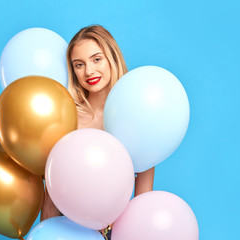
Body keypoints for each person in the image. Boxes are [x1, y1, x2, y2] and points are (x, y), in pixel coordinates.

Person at [41, 25, 155, 239]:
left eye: (96, 59)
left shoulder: (136, 119)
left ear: (112, 58)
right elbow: (51, 193)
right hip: (68, 232)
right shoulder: (67, 117)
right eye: (79, 64)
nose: (89, 72)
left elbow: (143, 199)